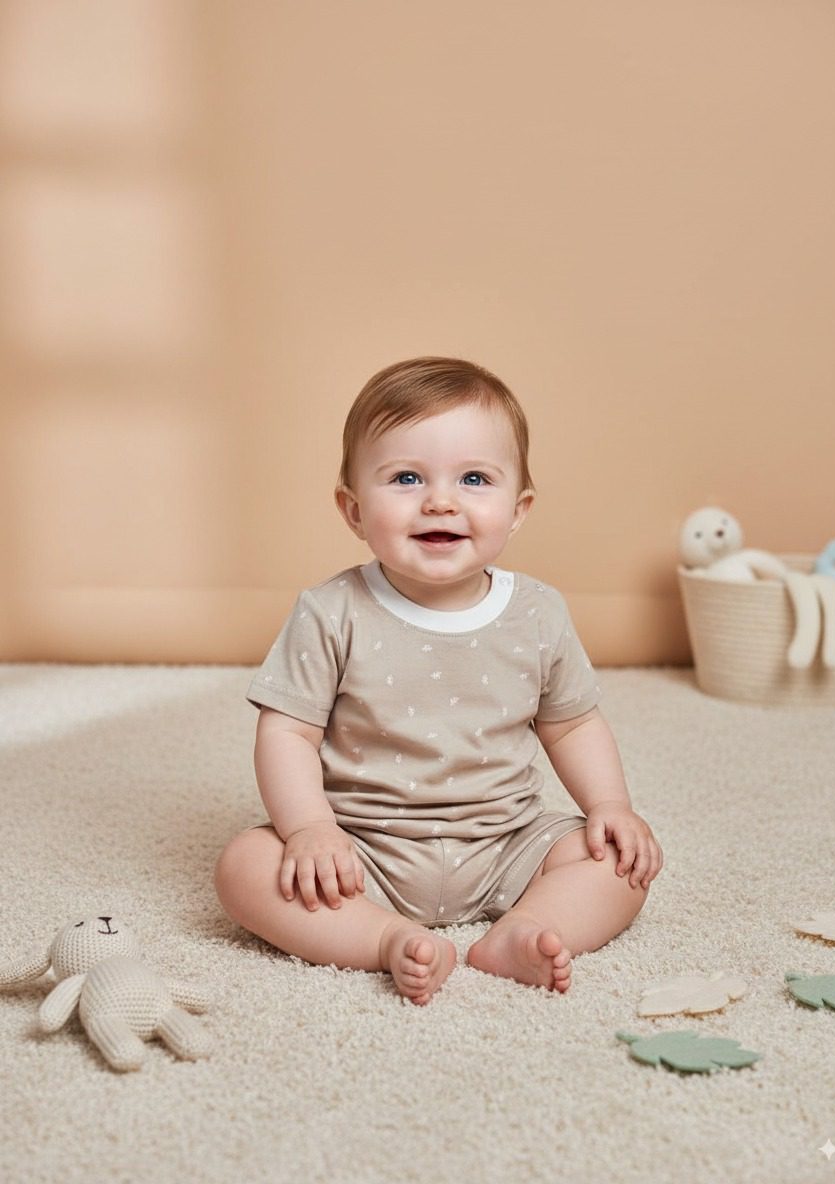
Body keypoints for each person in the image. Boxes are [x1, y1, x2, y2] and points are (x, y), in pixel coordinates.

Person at [215, 357, 663, 1005]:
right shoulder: (331, 611)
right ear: (353, 509)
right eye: (406, 478)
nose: (441, 501)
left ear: (517, 509)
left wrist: (610, 807)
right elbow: (287, 732)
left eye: (474, 479)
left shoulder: (538, 612)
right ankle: (383, 937)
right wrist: (311, 828)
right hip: (363, 846)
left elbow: (571, 725)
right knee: (245, 867)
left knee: (620, 865)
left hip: (506, 839)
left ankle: (526, 929)